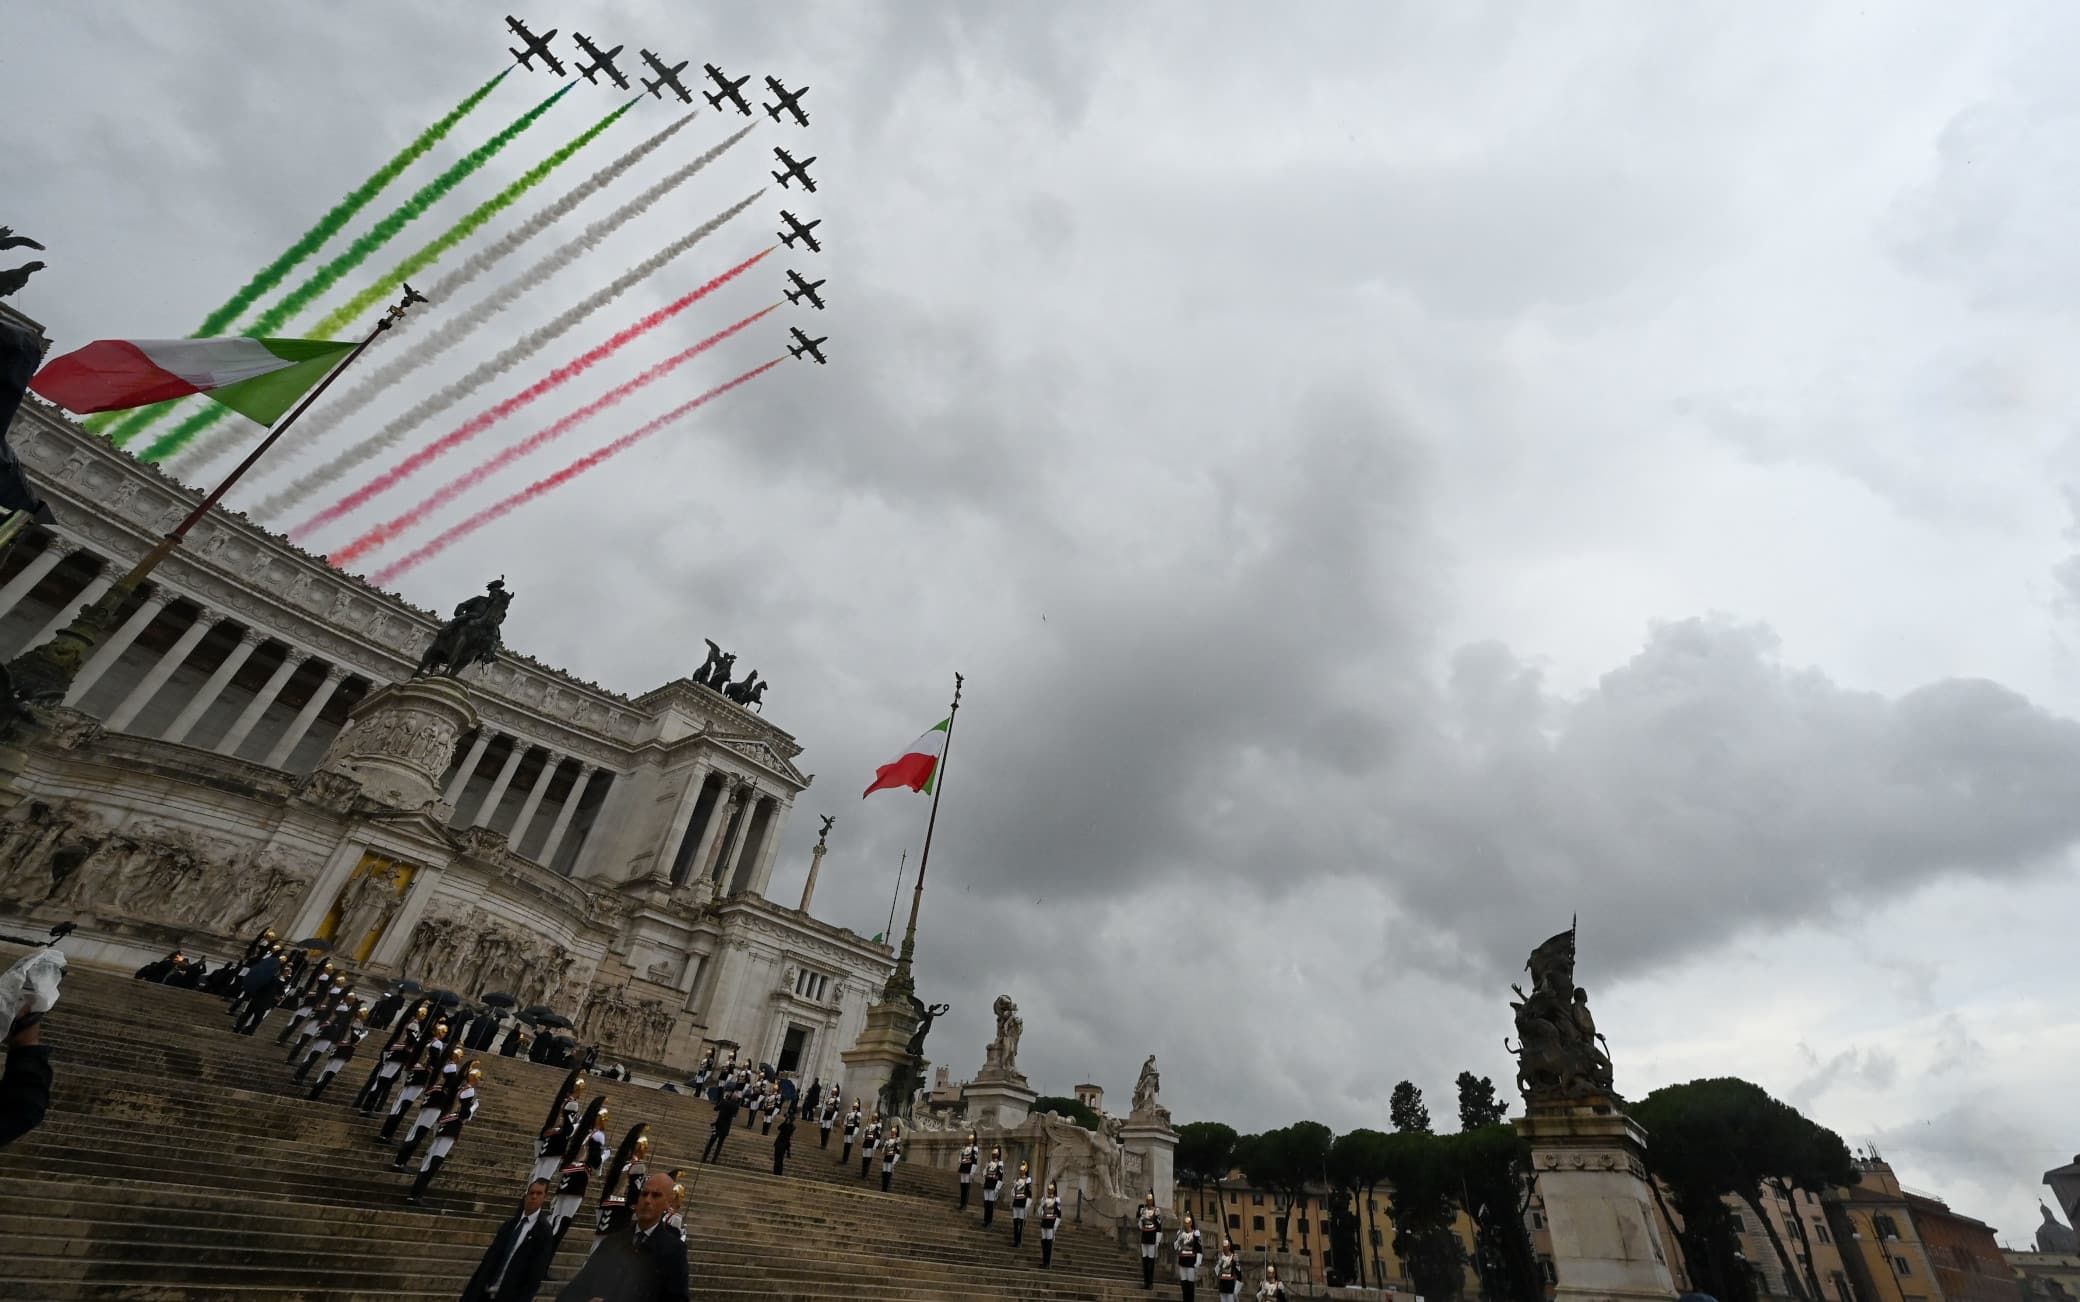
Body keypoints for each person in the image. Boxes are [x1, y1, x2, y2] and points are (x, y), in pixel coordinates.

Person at [553, 1172, 689, 1302]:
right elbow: (581, 1283)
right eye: (644, 1194)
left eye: (656, 1195)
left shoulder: (674, 1251)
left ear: (668, 1203)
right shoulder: (613, 1241)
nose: (647, 1200)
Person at [460, 1179, 555, 1302]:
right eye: (531, 1193)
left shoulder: (543, 1232)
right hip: (484, 1293)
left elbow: (535, 1273)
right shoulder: (509, 1225)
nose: (534, 1197)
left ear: (544, 1197)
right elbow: (488, 1261)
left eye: (538, 1193)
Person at [406, 1064, 482, 1202]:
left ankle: (415, 1193)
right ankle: (416, 1194)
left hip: (444, 1122)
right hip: (452, 1126)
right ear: (475, 1079)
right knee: (435, 1160)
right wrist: (474, 1107)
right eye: (479, 1078)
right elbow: (464, 1113)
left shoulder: (460, 1088)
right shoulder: (469, 1091)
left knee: (430, 1159)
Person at [308, 1007, 370, 1099]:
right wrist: (363, 1034)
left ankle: (315, 1092)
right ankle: (315, 1093)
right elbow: (354, 1038)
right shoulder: (357, 1023)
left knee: (327, 1071)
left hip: (340, 1048)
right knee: (330, 1072)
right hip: (344, 1050)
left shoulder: (352, 1022)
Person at [699, 1089, 737, 1164]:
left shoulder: (724, 1102)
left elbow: (715, 1108)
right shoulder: (736, 1106)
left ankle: (704, 1158)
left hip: (718, 1125)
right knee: (719, 1145)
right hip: (726, 1128)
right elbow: (734, 1115)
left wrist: (724, 1100)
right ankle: (714, 1160)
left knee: (711, 1143)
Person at [1136, 1190, 1164, 1289]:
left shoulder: (1156, 1211)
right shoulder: (1143, 1210)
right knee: (1145, 1260)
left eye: (1150, 1200)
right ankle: (1145, 1282)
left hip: (1152, 1237)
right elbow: (1140, 1223)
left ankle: (1150, 1282)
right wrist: (1140, 1225)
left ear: (1153, 1201)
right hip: (1144, 1237)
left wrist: (1157, 1240)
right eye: (1147, 1200)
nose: (1149, 1202)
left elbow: (1159, 1226)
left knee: (1151, 1261)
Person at [1174, 1213, 1205, 1301]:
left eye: (1188, 1223)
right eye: (1185, 1223)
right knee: (1183, 1284)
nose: (1186, 1225)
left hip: (1191, 1261)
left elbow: (1199, 1249)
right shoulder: (1181, 1233)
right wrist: (1178, 1239)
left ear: (1191, 1223)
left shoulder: (1195, 1234)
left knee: (1190, 1284)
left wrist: (1198, 1261)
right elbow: (1176, 1247)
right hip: (1182, 1260)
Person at [1037, 1182, 1065, 1268]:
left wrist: (1055, 1226)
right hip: (1044, 1222)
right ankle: (1044, 1261)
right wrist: (1041, 1207)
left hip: (1051, 1223)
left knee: (1049, 1244)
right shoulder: (1044, 1199)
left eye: (1051, 1189)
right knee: (1044, 1243)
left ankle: (1047, 1262)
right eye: (1048, 1189)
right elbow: (1040, 1212)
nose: (1049, 1191)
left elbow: (1059, 1214)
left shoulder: (1057, 1200)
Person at [1009, 1160, 1034, 1243]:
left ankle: (1019, 1239)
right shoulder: (1017, 1180)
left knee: (1021, 1221)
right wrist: (1014, 1186)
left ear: (1025, 1171)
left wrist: (1028, 1204)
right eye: (1020, 1170)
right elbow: (1013, 1193)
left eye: (1022, 1170)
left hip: (1023, 1202)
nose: (1020, 1172)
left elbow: (1029, 1194)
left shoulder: (1027, 1181)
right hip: (1016, 1202)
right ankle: (1015, 1239)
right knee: (1015, 1222)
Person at [980, 1147, 1005, 1228]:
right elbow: (984, 1173)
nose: (994, 1155)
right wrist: (986, 1166)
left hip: (993, 1186)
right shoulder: (989, 1163)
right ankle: (985, 1220)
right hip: (987, 1184)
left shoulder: (1000, 1164)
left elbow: (1000, 1177)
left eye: (996, 1153)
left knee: (990, 1204)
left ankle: (989, 1221)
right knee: (986, 1203)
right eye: (993, 1153)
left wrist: (997, 1188)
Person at [956, 1132, 980, 1208]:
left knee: (966, 1186)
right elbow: (961, 1157)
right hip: (963, 1166)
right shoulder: (965, 1147)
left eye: (971, 1139)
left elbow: (974, 1160)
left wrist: (972, 1171)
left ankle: (964, 1204)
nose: (970, 1140)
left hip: (969, 1167)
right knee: (962, 1185)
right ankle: (961, 1203)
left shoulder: (975, 1148)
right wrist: (959, 1164)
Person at [878, 1122, 901, 1192]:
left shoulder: (897, 1142)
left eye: (894, 1132)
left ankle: (886, 1188)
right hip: (886, 1158)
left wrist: (894, 1161)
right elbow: (883, 1151)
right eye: (892, 1132)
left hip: (891, 1159)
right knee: (884, 1173)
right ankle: (883, 1187)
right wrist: (885, 1147)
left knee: (888, 1173)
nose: (892, 1133)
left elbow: (898, 1153)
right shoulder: (888, 1141)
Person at [837, 1099, 861, 1165]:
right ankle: (844, 1159)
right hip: (847, 1130)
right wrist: (843, 1127)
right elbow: (845, 1122)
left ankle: (845, 1160)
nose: (854, 1107)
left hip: (852, 1131)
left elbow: (857, 1124)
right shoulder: (849, 1114)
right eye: (853, 1106)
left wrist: (855, 1133)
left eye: (855, 1107)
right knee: (846, 1145)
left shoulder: (858, 1114)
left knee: (848, 1146)